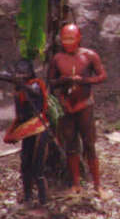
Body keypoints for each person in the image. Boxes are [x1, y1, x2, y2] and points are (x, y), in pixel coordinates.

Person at [47, 23, 109, 199]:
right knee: (71, 146)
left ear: (79, 38)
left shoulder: (89, 56)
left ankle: (98, 185)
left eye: (71, 38)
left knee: (89, 145)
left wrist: (84, 80)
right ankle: (76, 184)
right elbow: (51, 82)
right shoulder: (57, 59)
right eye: (65, 39)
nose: (68, 42)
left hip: (85, 105)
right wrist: (63, 81)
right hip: (67, 106)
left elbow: (103, 76)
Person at [0, 59, 50, 207]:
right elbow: (0, 75)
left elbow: (33, 91)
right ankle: (28, 197)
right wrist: (14, 78)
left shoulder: (36, 84)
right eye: (19, 73)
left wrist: (23, 85)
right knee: (25, 163)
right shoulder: (18, 85)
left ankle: (43, 201)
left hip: (38, 128)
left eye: (23, 74)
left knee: (37, 167)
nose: (21, 76)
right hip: (27, 130)